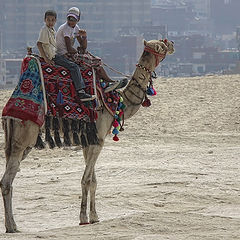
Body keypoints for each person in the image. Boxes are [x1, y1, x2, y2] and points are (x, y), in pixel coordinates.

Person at [55, 7, 127, 94]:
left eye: (73, 19)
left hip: (70, 53)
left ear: (78, 19)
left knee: (96, 60)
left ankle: (108, 82)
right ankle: (109, 82)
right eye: (69, 19)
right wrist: (78, 52)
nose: (71, 21)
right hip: (64, 54)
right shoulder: (65, 28)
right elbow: (69, 49)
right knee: (95, 61)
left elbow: (83, 46)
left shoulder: (76, 28)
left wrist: (84, 36)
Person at [37, 9, 94, 101]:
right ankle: (80, 91)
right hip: (55, 56)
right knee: (74, 67)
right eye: (48, 20)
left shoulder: (52, 30)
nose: (50, 22)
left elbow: (83, 47)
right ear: (45, 20)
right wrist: (46, 59)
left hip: (57, 54)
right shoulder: (46, 30)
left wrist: (84, 37)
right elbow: (39, 44)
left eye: (52, 20)